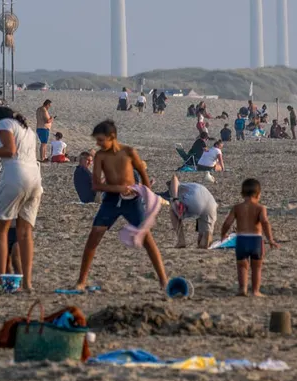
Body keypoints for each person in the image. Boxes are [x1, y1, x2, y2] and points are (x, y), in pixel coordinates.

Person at [73, 120, 167, 293]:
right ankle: (81, 281)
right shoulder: (100, 156)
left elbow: (144, 177)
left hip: (132, 202)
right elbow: (96, 185)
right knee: (94, 237)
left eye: (101, 140)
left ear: (112, 137)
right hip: (111, 200)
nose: (98, 144)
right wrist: (118, 189)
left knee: (147, 239)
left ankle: (163, 281)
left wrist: (145, 194)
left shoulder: (129, 152)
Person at [0, 106, 43, 290]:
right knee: (25, 233)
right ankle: (27, 283)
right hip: (35, 177)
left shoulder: (5, 123)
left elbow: (9, 151)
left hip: (16, 176)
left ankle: (2, 281)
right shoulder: (28, 130)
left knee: (1, 230)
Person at [219, 178, 279, 296]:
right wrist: (270, 239)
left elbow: (227, 222)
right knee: (256, 267)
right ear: (258, 194)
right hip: (255, 240)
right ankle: (256, 291)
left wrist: (223, 234)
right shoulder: (260, 208)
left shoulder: (237, 208)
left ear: (242, 194)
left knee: (242, 266)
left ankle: (242, 289)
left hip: (241, 240)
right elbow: (265, 222)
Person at [164, 175, 218, 249]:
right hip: (211, 203)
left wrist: (175, 199)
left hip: (195, 199)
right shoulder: (188, 185)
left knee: (172, 210)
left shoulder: (176, 188)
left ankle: (181, 241)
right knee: (203, 244)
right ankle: (206, 235)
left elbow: (174, 177)